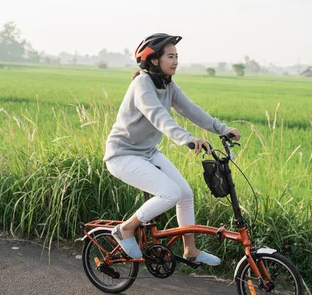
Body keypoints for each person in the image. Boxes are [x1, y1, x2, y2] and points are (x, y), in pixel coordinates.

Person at [103, 33, 241, 265]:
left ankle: (191, 251)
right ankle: (125, 229)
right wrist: (187, 139)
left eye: (177, 56)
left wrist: (222, 129)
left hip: (148, 153)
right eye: (170, 56)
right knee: (170, 193)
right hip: (122, 154)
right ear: (154, 60)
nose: (176, 61)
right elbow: (158, 116)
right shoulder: (142, 84)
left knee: (185, 194)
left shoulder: (168, 85)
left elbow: (191, 110)